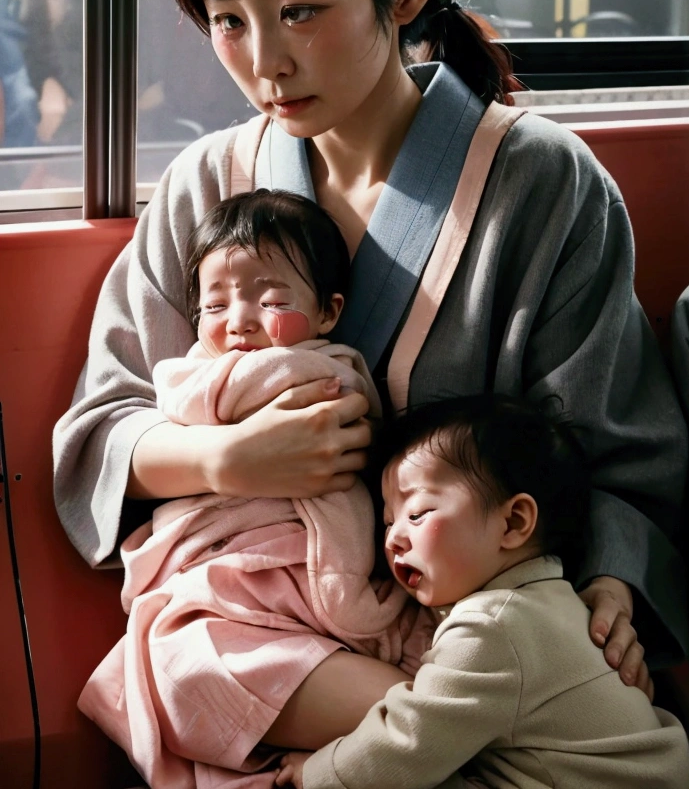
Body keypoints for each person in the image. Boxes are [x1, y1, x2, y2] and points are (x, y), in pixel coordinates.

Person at [53, 0, 689, 776]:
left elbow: (617, 458)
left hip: (473, 628)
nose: (265, 62)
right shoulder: (205, 186)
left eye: (300, 9)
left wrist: (614, 582)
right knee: (178, 658)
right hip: (277, 636)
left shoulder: (544, 186)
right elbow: (104, 429)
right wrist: (233, 458)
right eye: (228, 20)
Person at [77, 189, 431, 788]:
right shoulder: (207, 370)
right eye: (214, 305)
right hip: (230, 589)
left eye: (269, 300)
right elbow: (170, 404)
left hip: (306, 581)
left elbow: (194, 395)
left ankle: (436, 718)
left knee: (195, 668)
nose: (237, 319)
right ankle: (419, 722)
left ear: (328, 312)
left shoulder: (328, 368)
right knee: (189, 662)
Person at [277, 396, 689, 789]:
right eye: (388, 522)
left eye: (417, 513)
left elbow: (407, 739)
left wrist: (315, 772)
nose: (393, 539)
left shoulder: (493, 627)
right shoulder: (554, 600)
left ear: (513, 522)